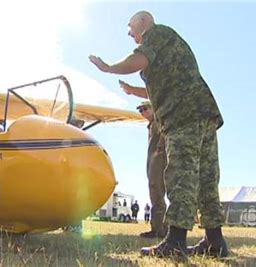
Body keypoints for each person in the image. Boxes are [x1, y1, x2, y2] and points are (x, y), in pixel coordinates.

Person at [89, 11, 228, 258]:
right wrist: (134, 91)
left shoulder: (156, 34)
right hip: (202, 111)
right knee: (206, 178)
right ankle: (215, 242)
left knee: (181, 174)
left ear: (143, 22)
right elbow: (167, 84)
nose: (129, 33)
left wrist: (108, 68)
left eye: (130, 27)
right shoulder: (168, 42)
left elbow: (138, 61)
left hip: (182, 115)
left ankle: (175, 241)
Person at [135, 101, 168, 238]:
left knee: (157, 192)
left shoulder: (158, 122)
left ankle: (159, 229)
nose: (142, 112)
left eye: (145, 108)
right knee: (155, 193)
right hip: (153, 162)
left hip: (158, 161)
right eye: (140, 110)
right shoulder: (152, 125)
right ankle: (159, 228)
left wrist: (159, 150)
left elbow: (165, 134)